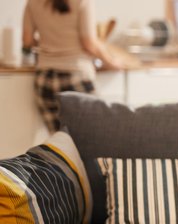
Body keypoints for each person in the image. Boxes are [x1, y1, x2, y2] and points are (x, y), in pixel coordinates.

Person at [23, 0, 122, 132]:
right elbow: (89, 42)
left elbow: (27, 40)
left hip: (44, 80)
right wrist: (112, 62)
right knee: (92, 138)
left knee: (60, 143)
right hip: (76, 77)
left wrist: (49, 44)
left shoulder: (32, 2)